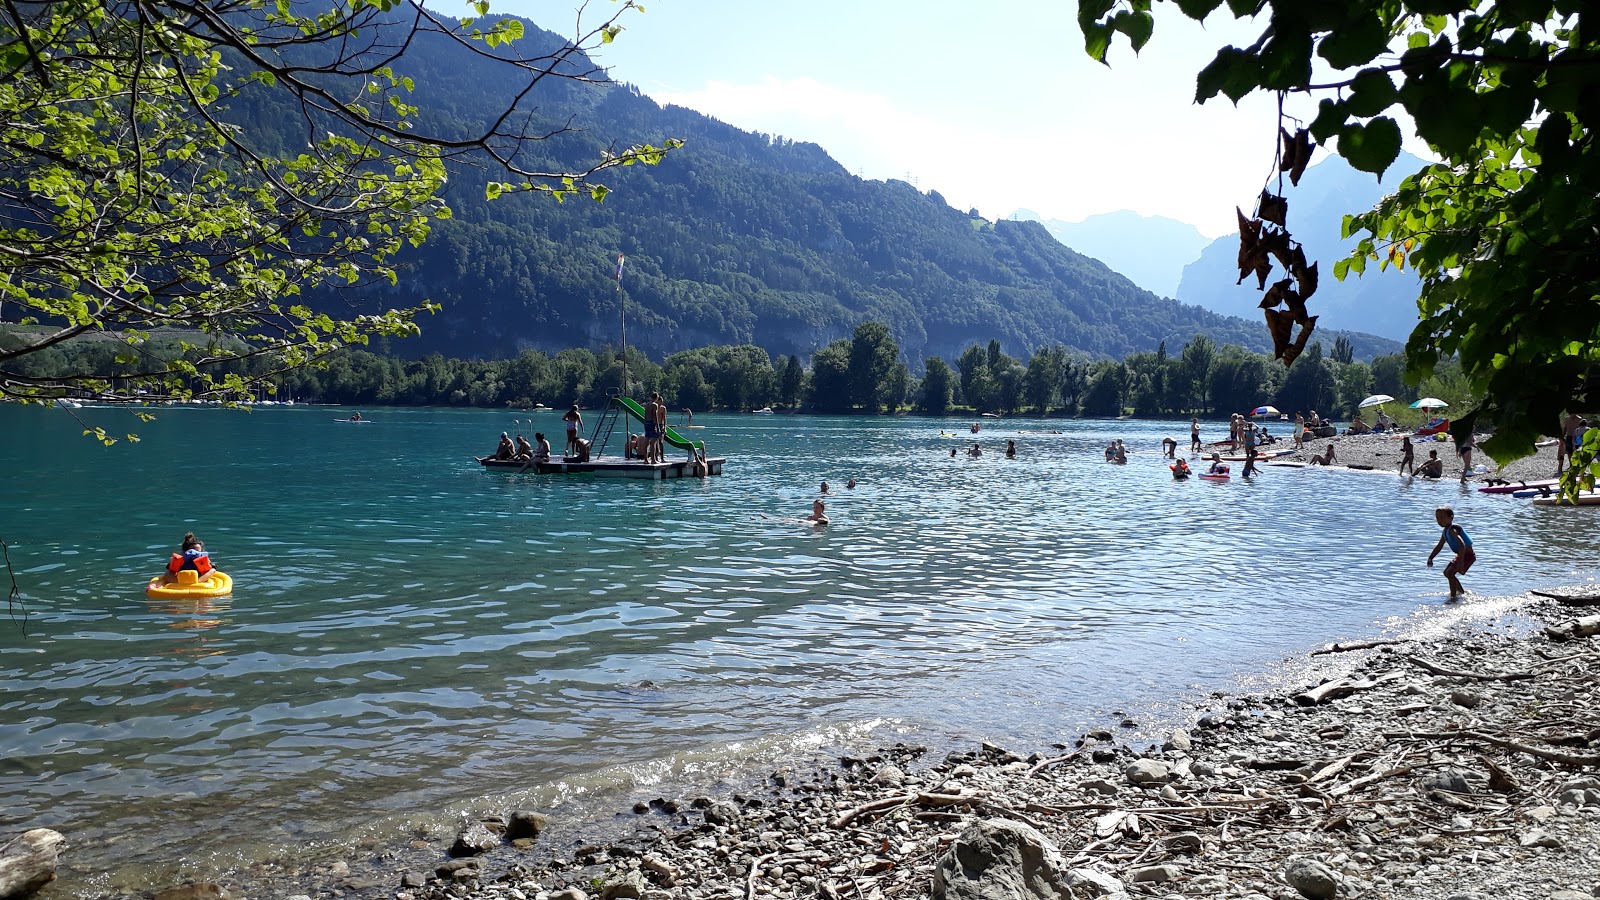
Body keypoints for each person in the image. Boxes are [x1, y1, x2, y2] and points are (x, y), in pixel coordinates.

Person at [1426, 505, 1475, 598]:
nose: (1439, 520)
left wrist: (1460, 561)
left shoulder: (1453, 530)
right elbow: (1439, 545)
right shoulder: (1445, 531)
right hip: (1461, 555)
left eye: (1442, 518)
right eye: (1437, 518)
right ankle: (1461, 593)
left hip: (1467, 555)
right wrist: (1431, 557)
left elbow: (1462, 545)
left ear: (1451, 518)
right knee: (1447, 573)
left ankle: (1453, 597)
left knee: (1449, 573)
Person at [651, 393, 668, 463]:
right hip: (654, 425)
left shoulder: (663, 408)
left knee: (661, 442)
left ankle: (662, 458)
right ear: (658, 401)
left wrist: (665, 427)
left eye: (662, 402)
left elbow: (664, 418)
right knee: (655, 442)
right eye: (660, 401)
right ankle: (656, 457)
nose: (661, 403)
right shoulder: (655, 406)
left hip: (661, 425)